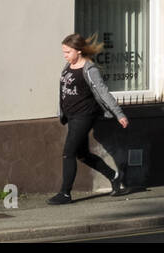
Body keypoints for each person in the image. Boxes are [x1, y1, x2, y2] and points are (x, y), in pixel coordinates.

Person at [49, 33, 130, 205]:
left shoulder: (89, 69)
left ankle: (65, 193)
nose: (65, 55)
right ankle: (114, 177)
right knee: (82, 154)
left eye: (67, 52)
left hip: (84, 116)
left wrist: (119, 114)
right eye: (63, 52)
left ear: (78, 51)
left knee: (68, 153)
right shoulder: (68, 66)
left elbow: (103, 92)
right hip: (71, 116)